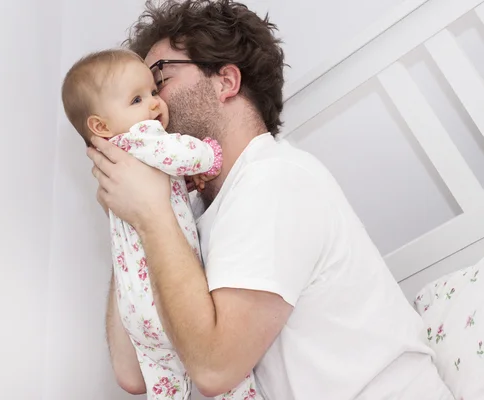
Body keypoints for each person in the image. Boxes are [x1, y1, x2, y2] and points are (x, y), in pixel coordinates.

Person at [87, 0, 455, 399]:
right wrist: (129, 221)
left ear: (225, 81)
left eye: (158, 80)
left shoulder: (275, 178)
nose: (150, 104)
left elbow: (214, 369)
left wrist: (151, 215)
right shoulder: (189, 215)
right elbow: (134, 373)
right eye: (138, 95)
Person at [61, 49, 263, 399]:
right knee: (234, 388)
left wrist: (175, 189)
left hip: (137, 310)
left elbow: (133, 380)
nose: (156, 103)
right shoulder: (143, 140)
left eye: (157, 88)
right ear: (101, 126)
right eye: (139, 97)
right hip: (160, 303)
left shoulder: (123, 169)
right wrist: (207, 156)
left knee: (165, 386)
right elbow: (181, 152)